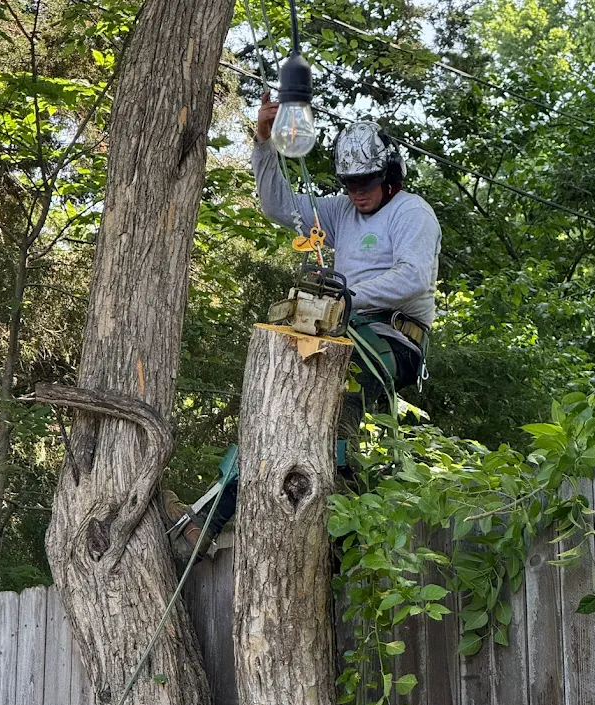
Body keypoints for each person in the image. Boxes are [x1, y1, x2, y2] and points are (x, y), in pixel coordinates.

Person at [162, 95, 442, 566]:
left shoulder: (412, 212)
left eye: (367, 181)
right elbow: (279, 206)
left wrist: (346, 295)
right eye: (349, 182)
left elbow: (413, 277)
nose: (357, 191)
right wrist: (265, 144)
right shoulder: (341, 213)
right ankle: (205, 523)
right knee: (277, 412)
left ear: (390, 175)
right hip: (343, 334)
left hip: (392, 338)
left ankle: (340, 534)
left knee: (337, 409)